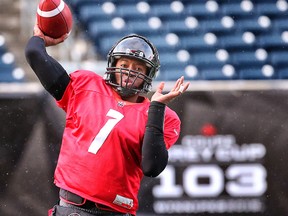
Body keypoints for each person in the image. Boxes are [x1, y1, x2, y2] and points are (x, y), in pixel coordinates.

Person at [25, 23, 190, 216]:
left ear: (148, 75)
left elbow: (152, 167)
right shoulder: (85, 85)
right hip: (71, 208)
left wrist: (157, 108)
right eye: (124, 65)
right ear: (113, 65)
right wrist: (39, 38)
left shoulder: (161, 116)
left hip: (115, 211)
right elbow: (34, 55)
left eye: (138, 68)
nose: (129, 73)